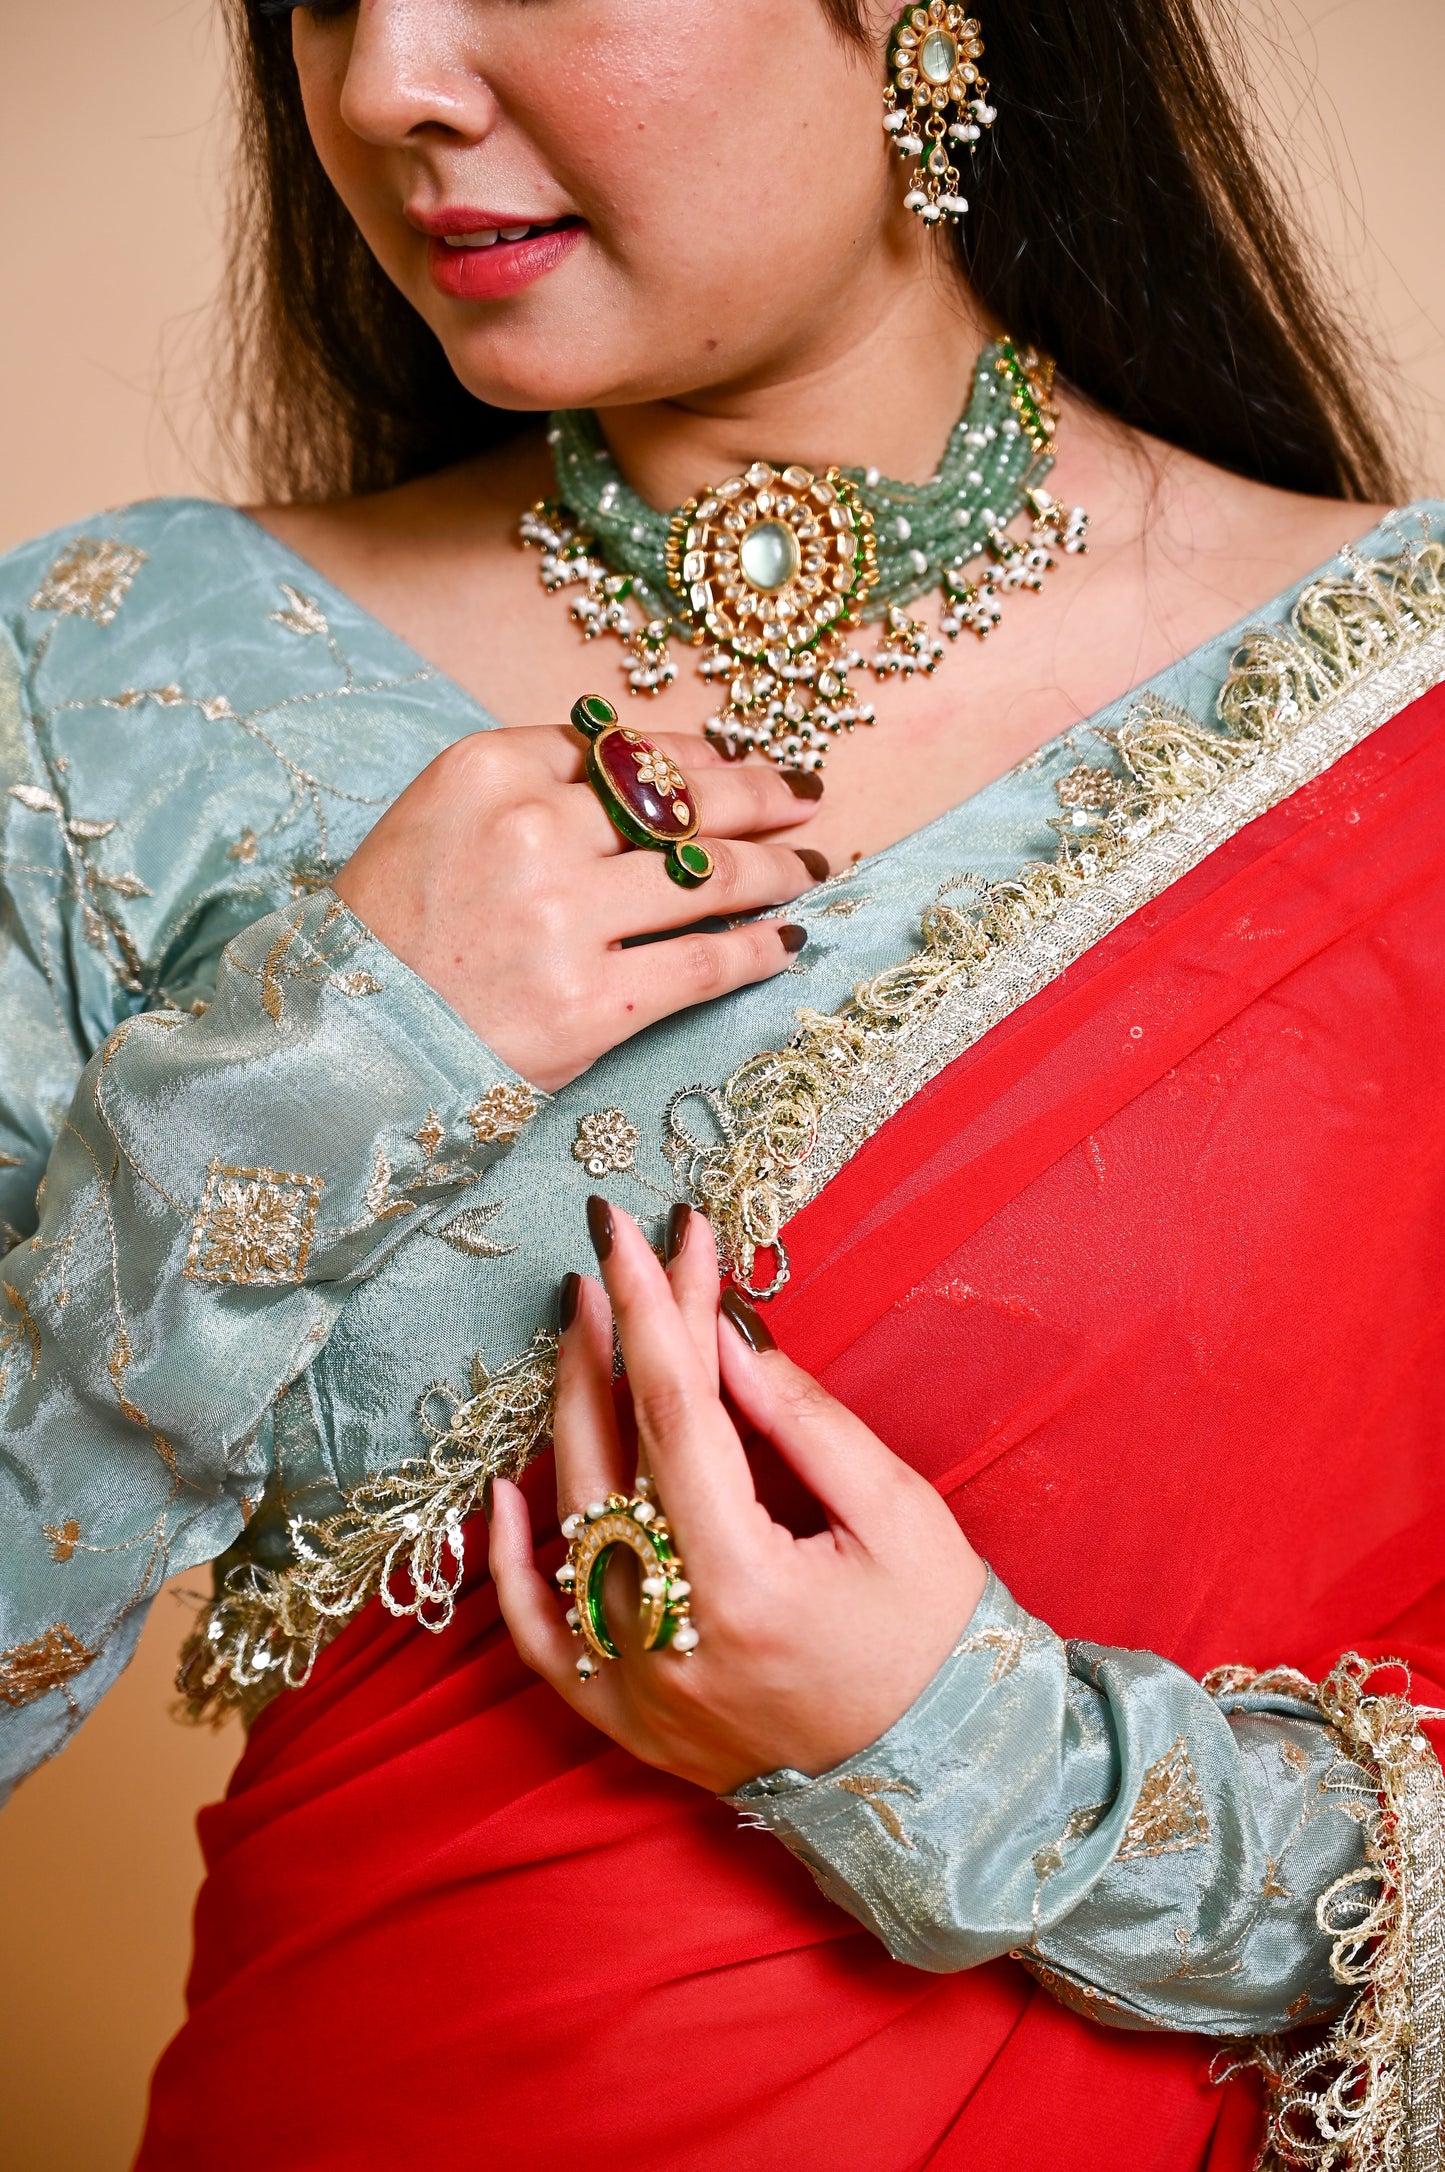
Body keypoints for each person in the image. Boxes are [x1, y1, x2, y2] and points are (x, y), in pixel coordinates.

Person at [1, 1, 1441, 2165]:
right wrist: (323, 1061)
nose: (390, 82)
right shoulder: (125, 694)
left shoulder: (1394, 732)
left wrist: (966, 1761)